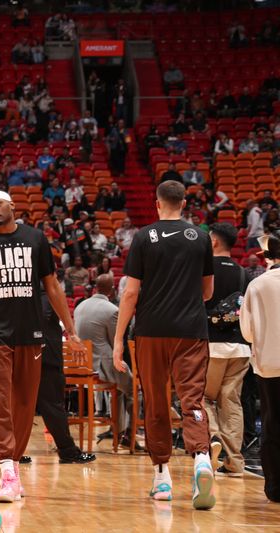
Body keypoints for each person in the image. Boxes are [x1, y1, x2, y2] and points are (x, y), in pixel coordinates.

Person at [0, 190, 87, 502]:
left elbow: (53, 287)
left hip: (31, 334)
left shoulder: (36, 239)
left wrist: (70, 330)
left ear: (12, 206)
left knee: (24, 405)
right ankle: (6, 470)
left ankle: (13, 468)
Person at [113, 180, 215, 509]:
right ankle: (201, 458)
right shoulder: (200, 237)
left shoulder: (143, 237)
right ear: (184, 203)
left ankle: (162, 478)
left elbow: (130, 293)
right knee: (192, 399)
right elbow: (208, 292)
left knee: (156, 401)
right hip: (190, 330)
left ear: (158, 204)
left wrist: (118, 341)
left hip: (151, 331)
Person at [204, 223, 251, 477]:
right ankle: (235, 463)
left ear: (213, 242)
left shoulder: (204, 269)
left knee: (203, 397)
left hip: (211, 344)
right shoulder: (245, 274)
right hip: (241, 347)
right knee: (232, 403)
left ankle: (212, 438)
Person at [240, 231, 280, 503]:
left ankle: (275, 488)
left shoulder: (258, 284)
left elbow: (247, 332)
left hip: (269, 364)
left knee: (272, 424)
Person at [34, 289, 96, 463]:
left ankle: (12, 453)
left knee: (20, 406)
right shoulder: (46, 294)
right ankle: (68, 451)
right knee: (53, 406)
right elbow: (45, 316)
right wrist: (71, 333)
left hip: (30, 353)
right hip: (46, 356)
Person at [74, 274, 134, 446]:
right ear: (113, 290)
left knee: (121, 389)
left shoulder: (79, 307)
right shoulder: (112, 310)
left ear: (95, 288)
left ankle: (118, 430)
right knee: (134, 389)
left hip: (82, 367)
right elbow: (116, 343)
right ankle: (129, 434)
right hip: (102, 367)